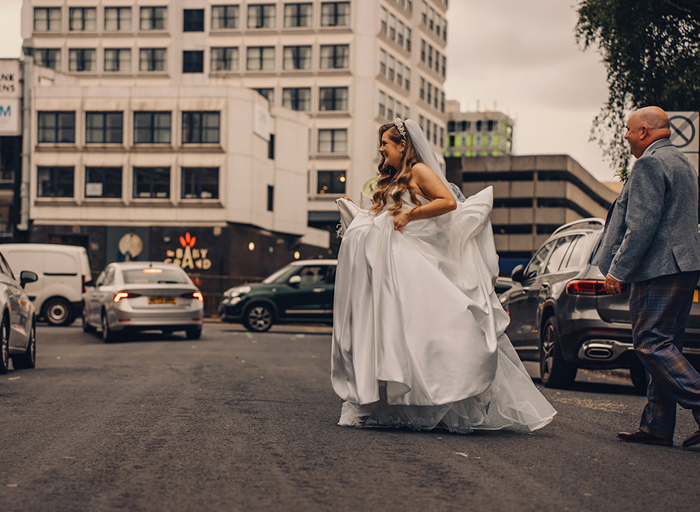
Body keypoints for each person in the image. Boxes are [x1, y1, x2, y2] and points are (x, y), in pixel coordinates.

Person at [330, 118, 556, 433]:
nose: (381, 149)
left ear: (402, 145)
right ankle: (383, 403)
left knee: (426, 329)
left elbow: (447, 202)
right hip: (393, 260)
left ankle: (442, 395)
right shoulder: (392, 178)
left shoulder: (420, 171)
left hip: (414, 258)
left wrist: (410, 213)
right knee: (391, 331)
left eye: (386, 143)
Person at [593, 106, 700, 448]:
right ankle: (657, 424)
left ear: (645, 132)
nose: (625, 135)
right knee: (667, 342)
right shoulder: (682, 162)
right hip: (682, 266)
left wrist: (618, 269)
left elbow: (641, 225)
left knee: (650, 341)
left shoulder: (650, 163)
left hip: (658, 267)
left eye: (628, 129)